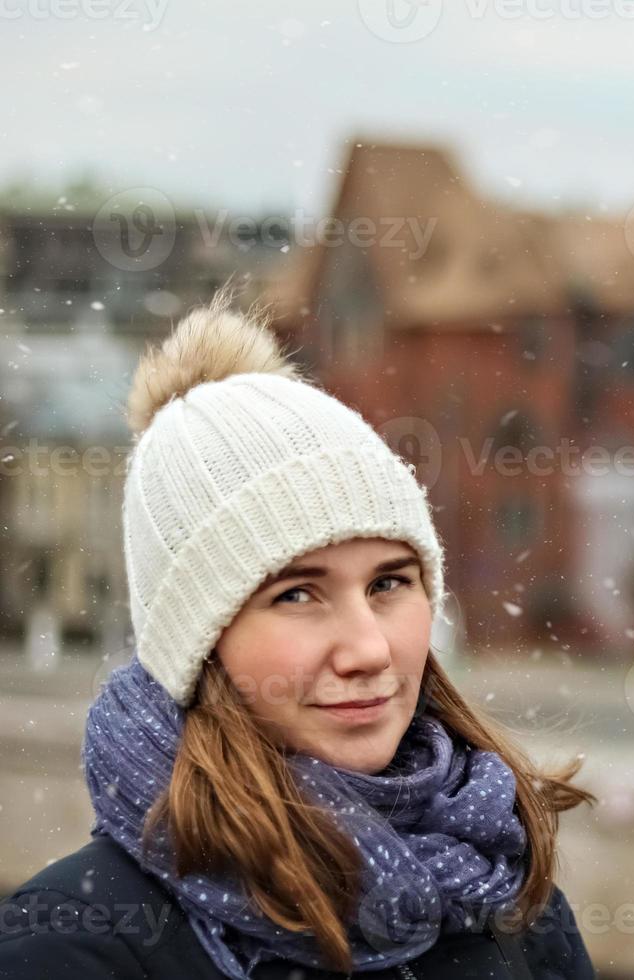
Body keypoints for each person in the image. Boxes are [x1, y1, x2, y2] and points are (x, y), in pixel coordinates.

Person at [0, 288, 598, 978]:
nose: (369, 648)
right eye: (297, 593)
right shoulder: (75, 944)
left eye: (388, 583)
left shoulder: (513, 904)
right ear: (197, 645)